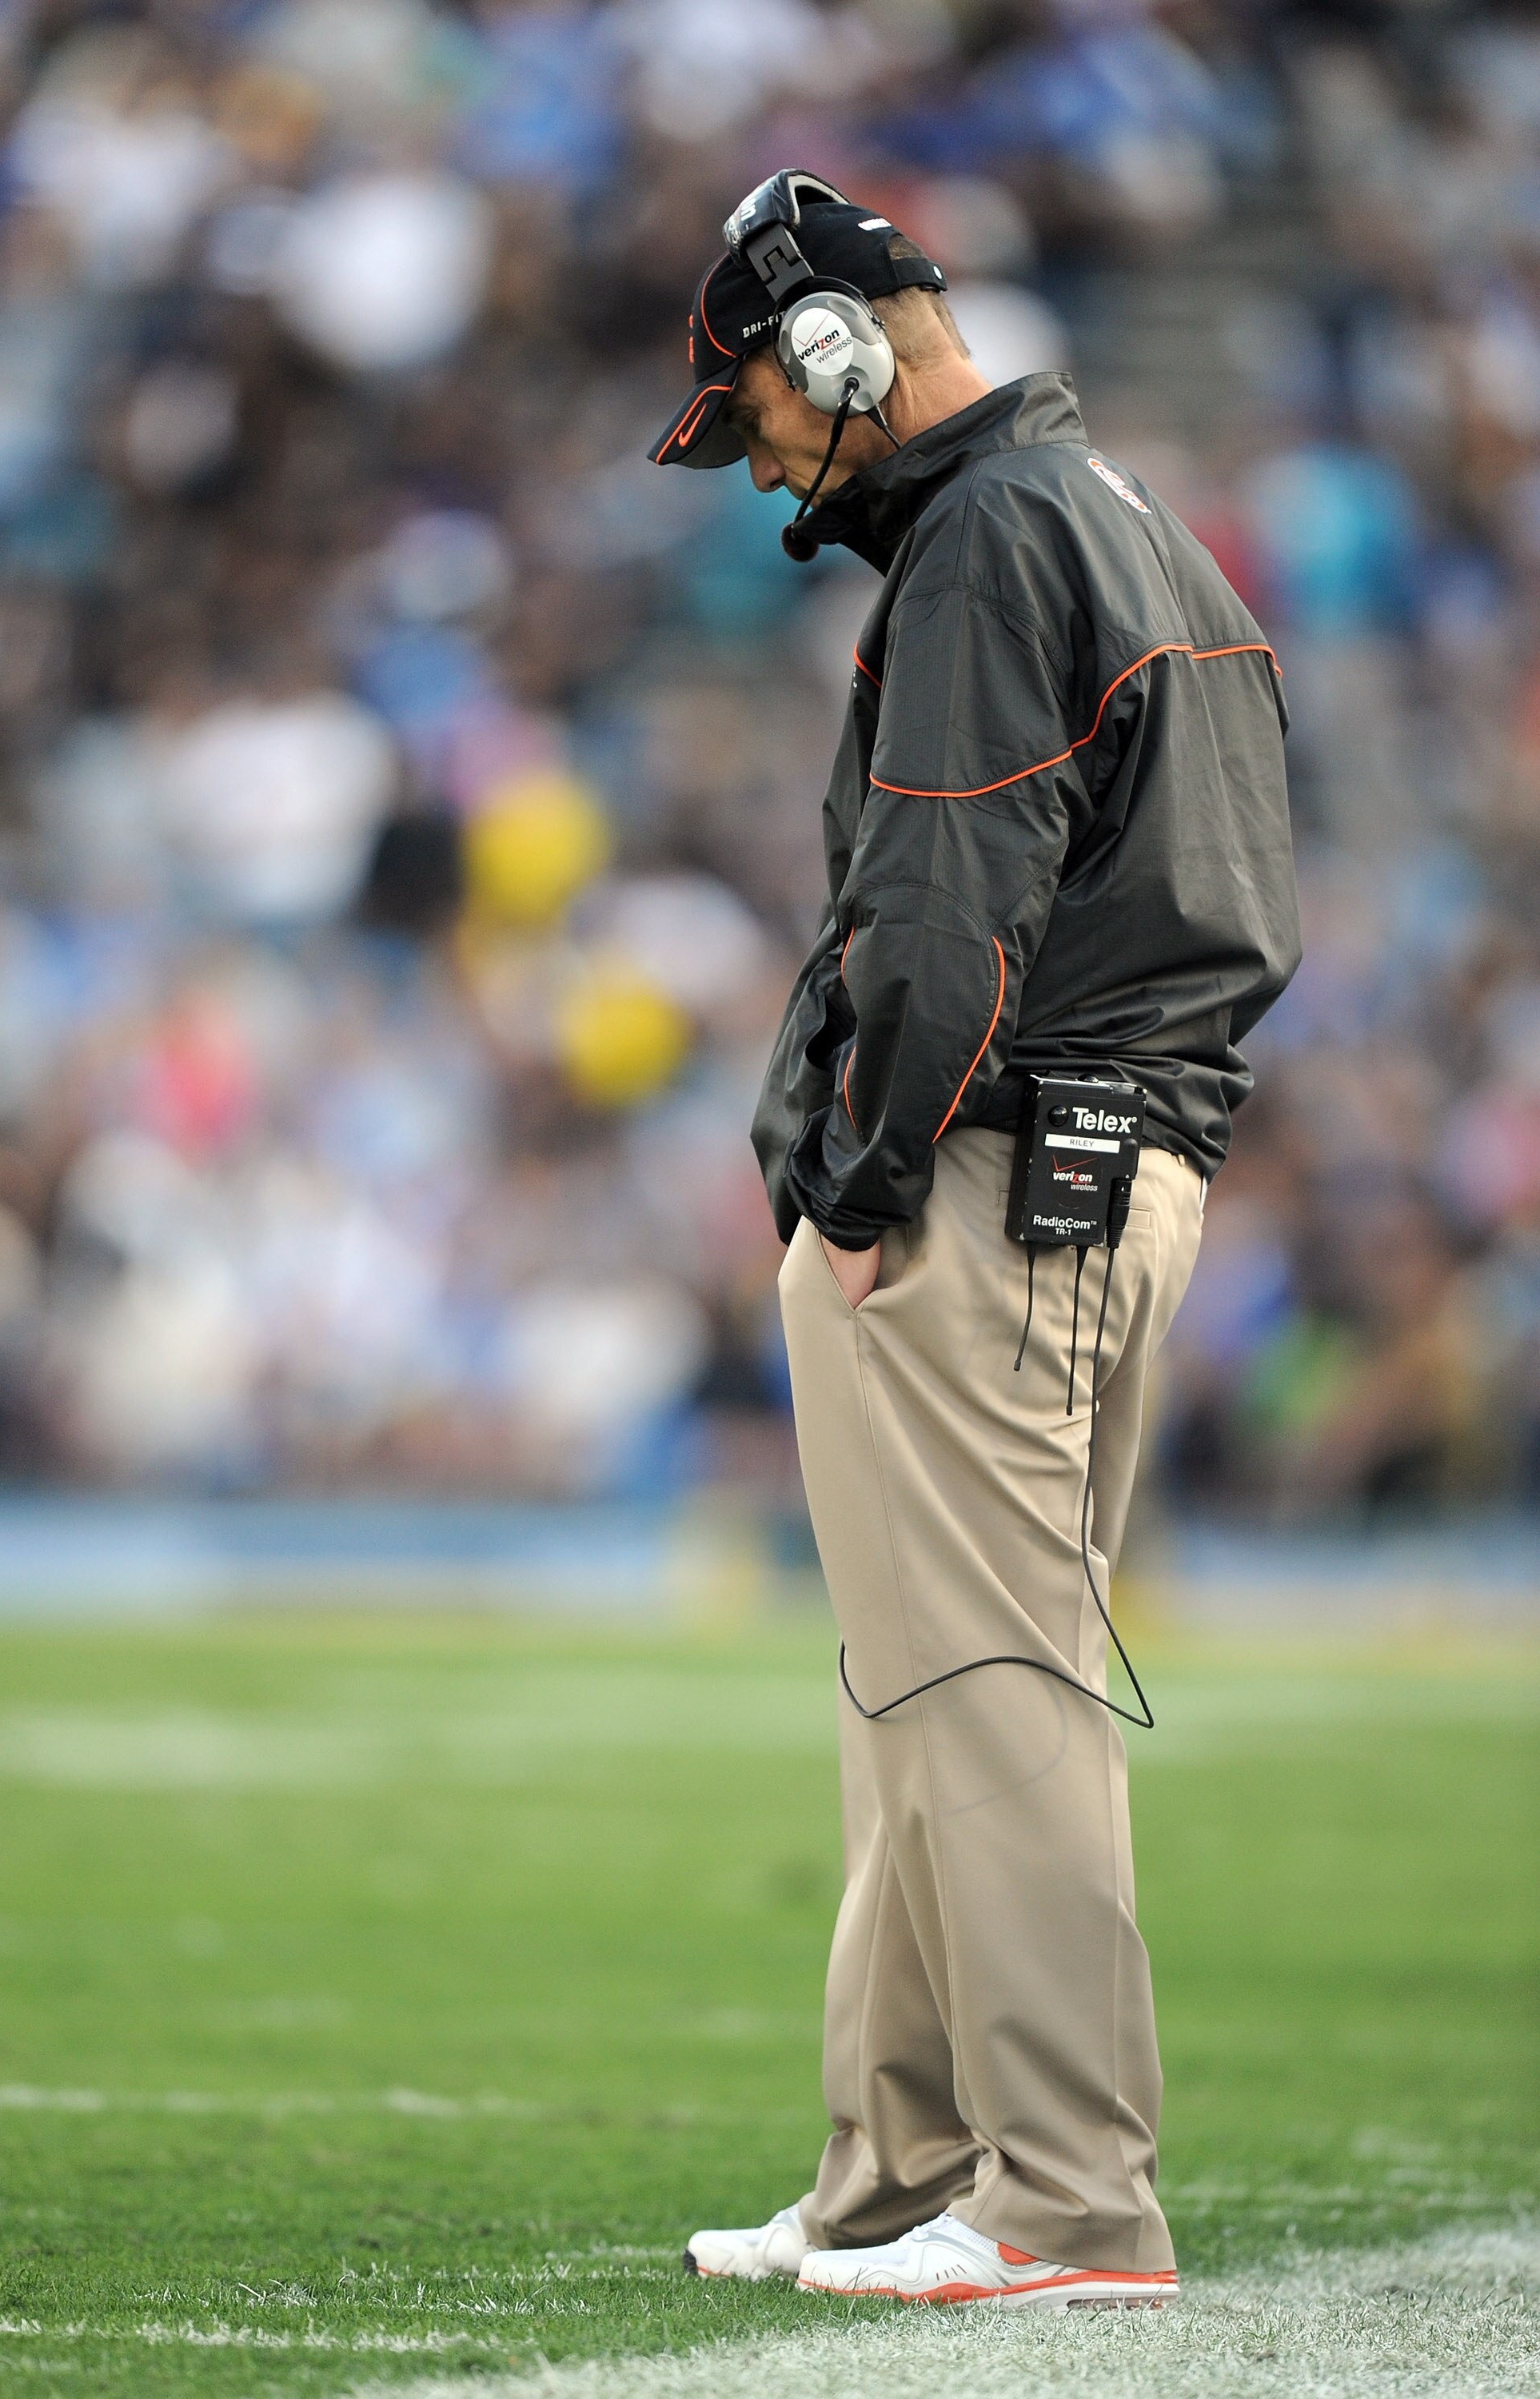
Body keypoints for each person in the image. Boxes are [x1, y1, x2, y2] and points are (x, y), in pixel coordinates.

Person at [648, 173, 1300, 2310]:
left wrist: (854, 1188)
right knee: (918, 1693)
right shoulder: (1120, 511)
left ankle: (1066, 2207)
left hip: (990, 1180)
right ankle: (890, 2175)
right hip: (1115, 1166)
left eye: (749, 398)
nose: (751, 452)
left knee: (984, 1687)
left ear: (833, 344)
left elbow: (939, 913)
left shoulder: (990, 538)